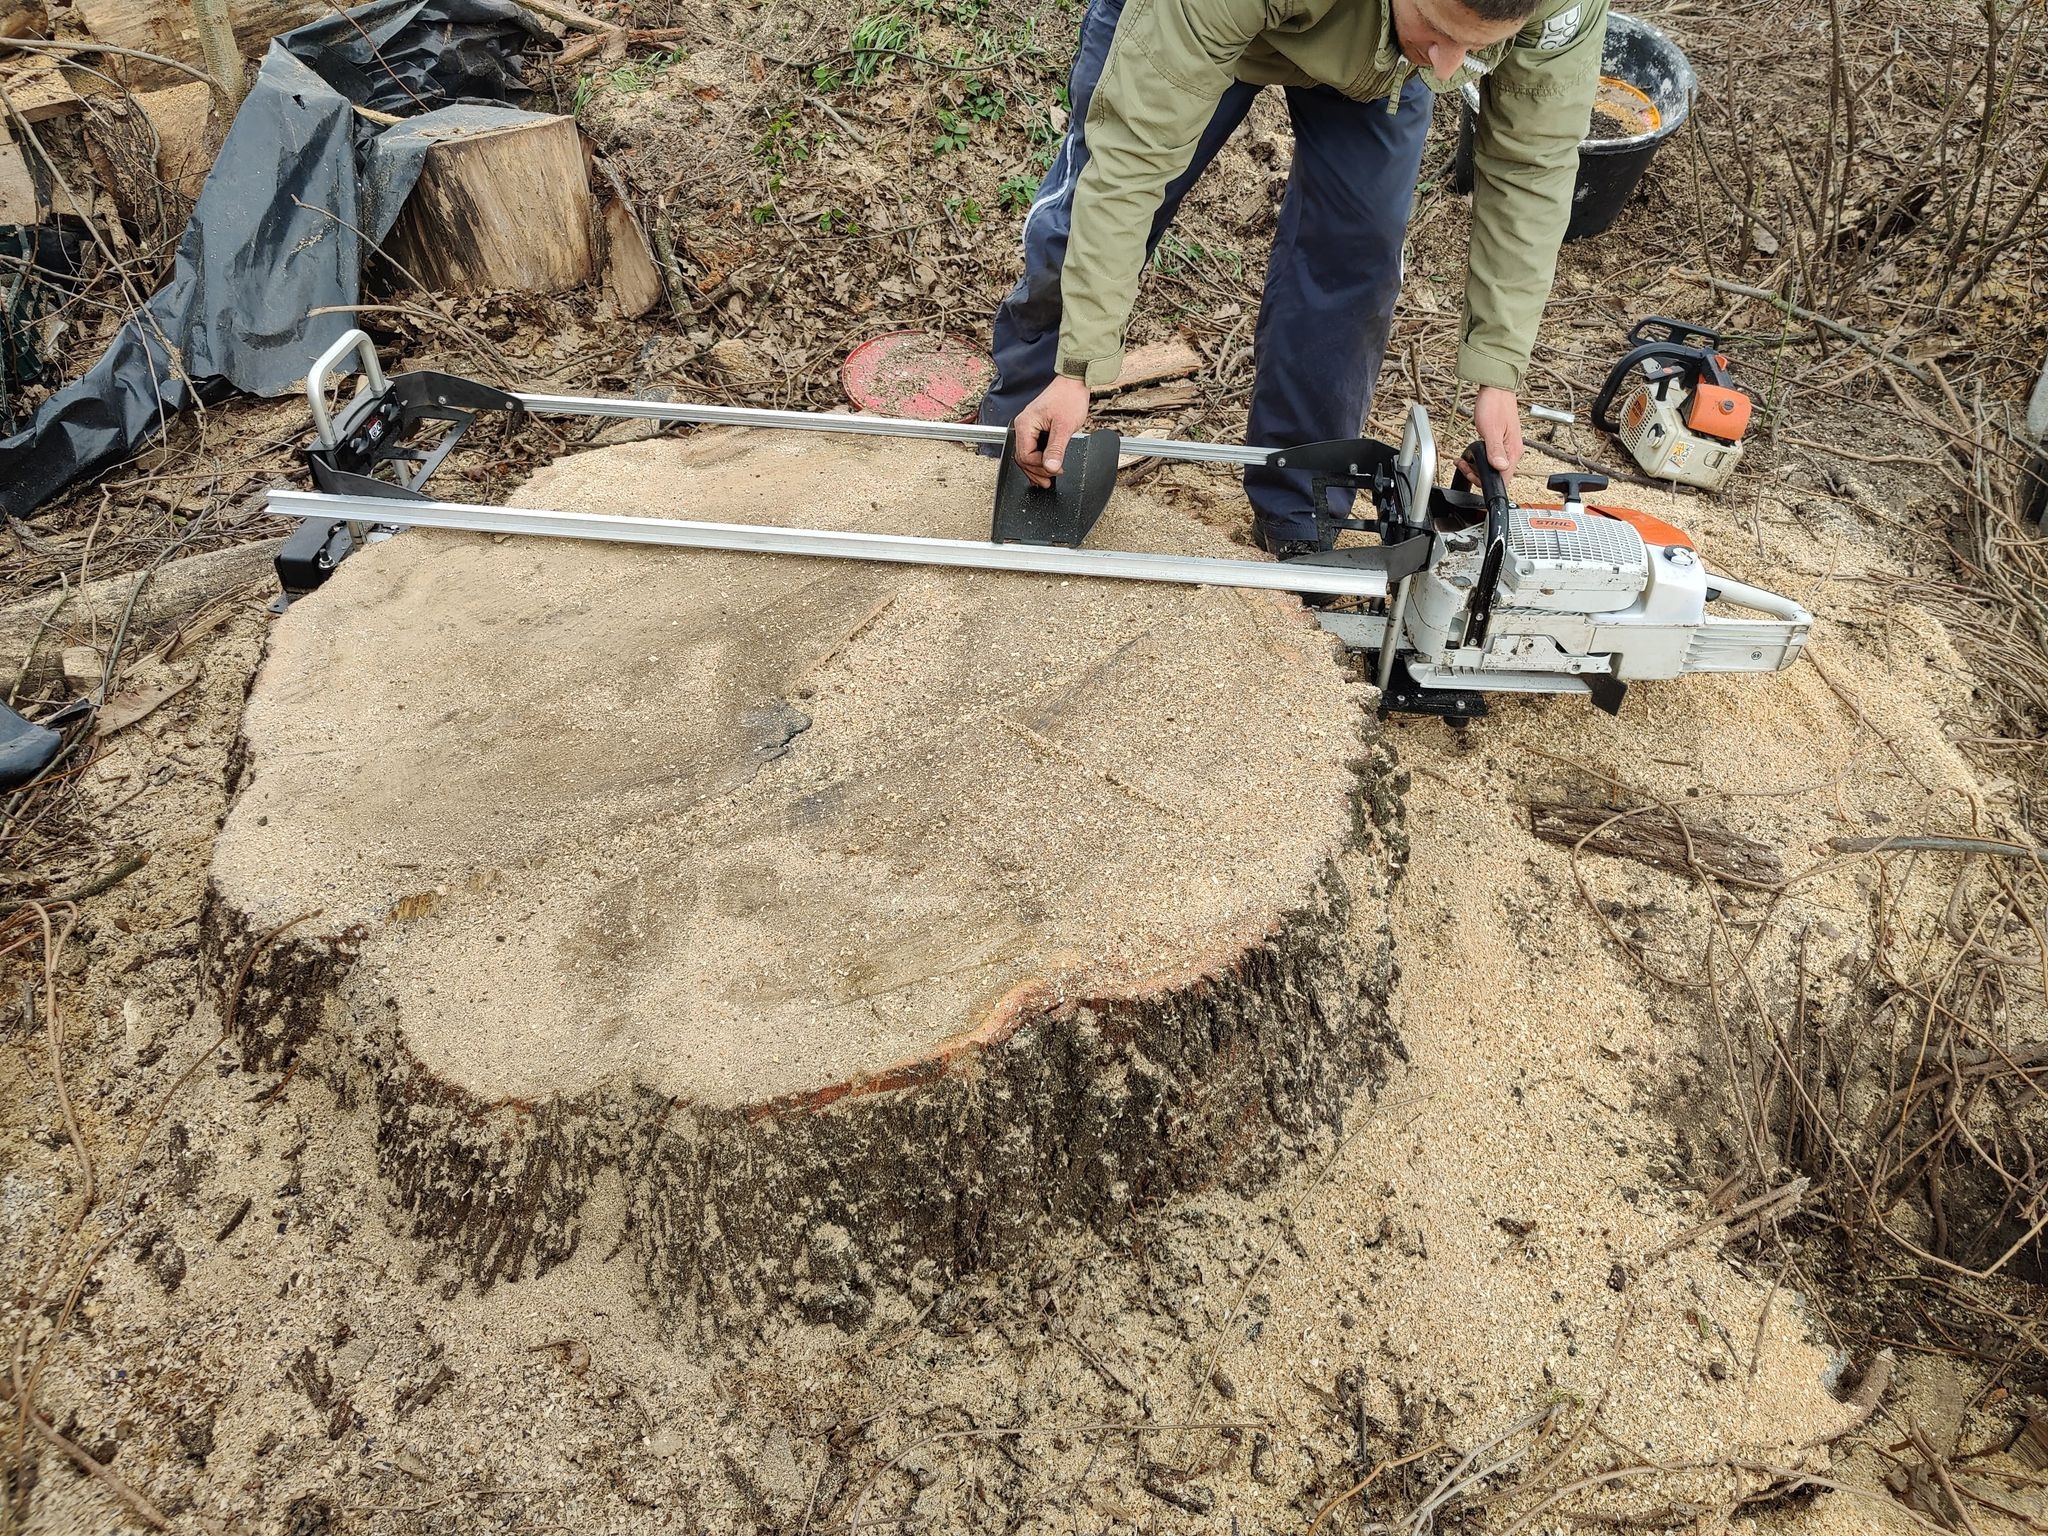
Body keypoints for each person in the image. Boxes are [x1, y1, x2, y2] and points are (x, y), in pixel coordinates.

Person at [978, 0, 1605, 555]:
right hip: (1202, 21)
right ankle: (1019, 437)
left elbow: (1532, 165)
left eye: (1479, 48)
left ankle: (1301, 505)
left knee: (1356, 253)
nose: (1449, 71)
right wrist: (1078, 367)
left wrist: (1498, 369)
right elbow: (1132, 159)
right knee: (1089, 219)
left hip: (1382, 61)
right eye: (1443, 31)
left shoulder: (1554, 9)